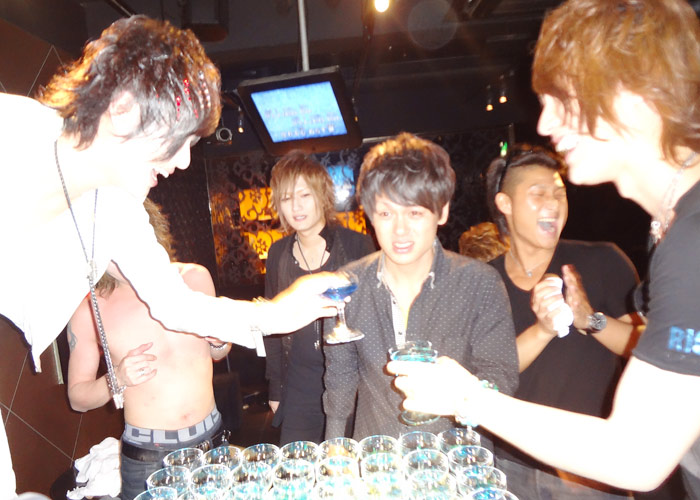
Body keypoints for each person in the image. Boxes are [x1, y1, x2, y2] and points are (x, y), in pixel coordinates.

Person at [0, 15, 343, 497]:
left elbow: (176, 305)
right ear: (123, 109)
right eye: (179, 141)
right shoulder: (12, 132)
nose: (183, 161)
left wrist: (279, 312)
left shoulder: (116, 209)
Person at [388, 0, 700, 497]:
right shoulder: (676, 229)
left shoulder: (692, 239)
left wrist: (467, 398)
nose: (547, 123)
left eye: (562, 98)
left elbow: (636, 455)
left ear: (633, 94)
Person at [322, 132, 519, 441]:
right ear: (370, 215)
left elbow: (500, 377)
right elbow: (339, 381)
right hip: (379, 457)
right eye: (386, 213)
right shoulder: (348, 286)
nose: (400, 230)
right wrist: (335, 448)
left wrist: (462, 397)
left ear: (442, 211)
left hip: (454, 457)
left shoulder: (480, 284)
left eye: (414, 213)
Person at [486, 144, 639, 499]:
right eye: (538, 194)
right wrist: (542, 330)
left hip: (592, 465)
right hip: (511, 464)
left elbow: (646, 347)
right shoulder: (484, 281)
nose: (553, 204)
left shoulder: (603, 260)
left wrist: (592, 320)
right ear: (505, 204)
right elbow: (488, 374)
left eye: (559, 194)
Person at [67, 200, 231, 499]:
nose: (117, 253)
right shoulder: (91, 308)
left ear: (148, 230)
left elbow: (217, 353)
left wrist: (219, 340)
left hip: (213, 440)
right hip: (150, 459)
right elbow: (77, 398)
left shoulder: (194, 278)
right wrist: (117, 378)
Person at [263, 151, 375, 445]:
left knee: (345, 462)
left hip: (350, 382)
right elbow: (271, 325)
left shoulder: (357, 245)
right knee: (296, 464)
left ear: (323, 195)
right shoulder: (277, 253)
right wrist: (275, 387)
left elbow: (375, 318)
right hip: (299, 383)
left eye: (304, 195)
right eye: (286, 198)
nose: (295, 206)